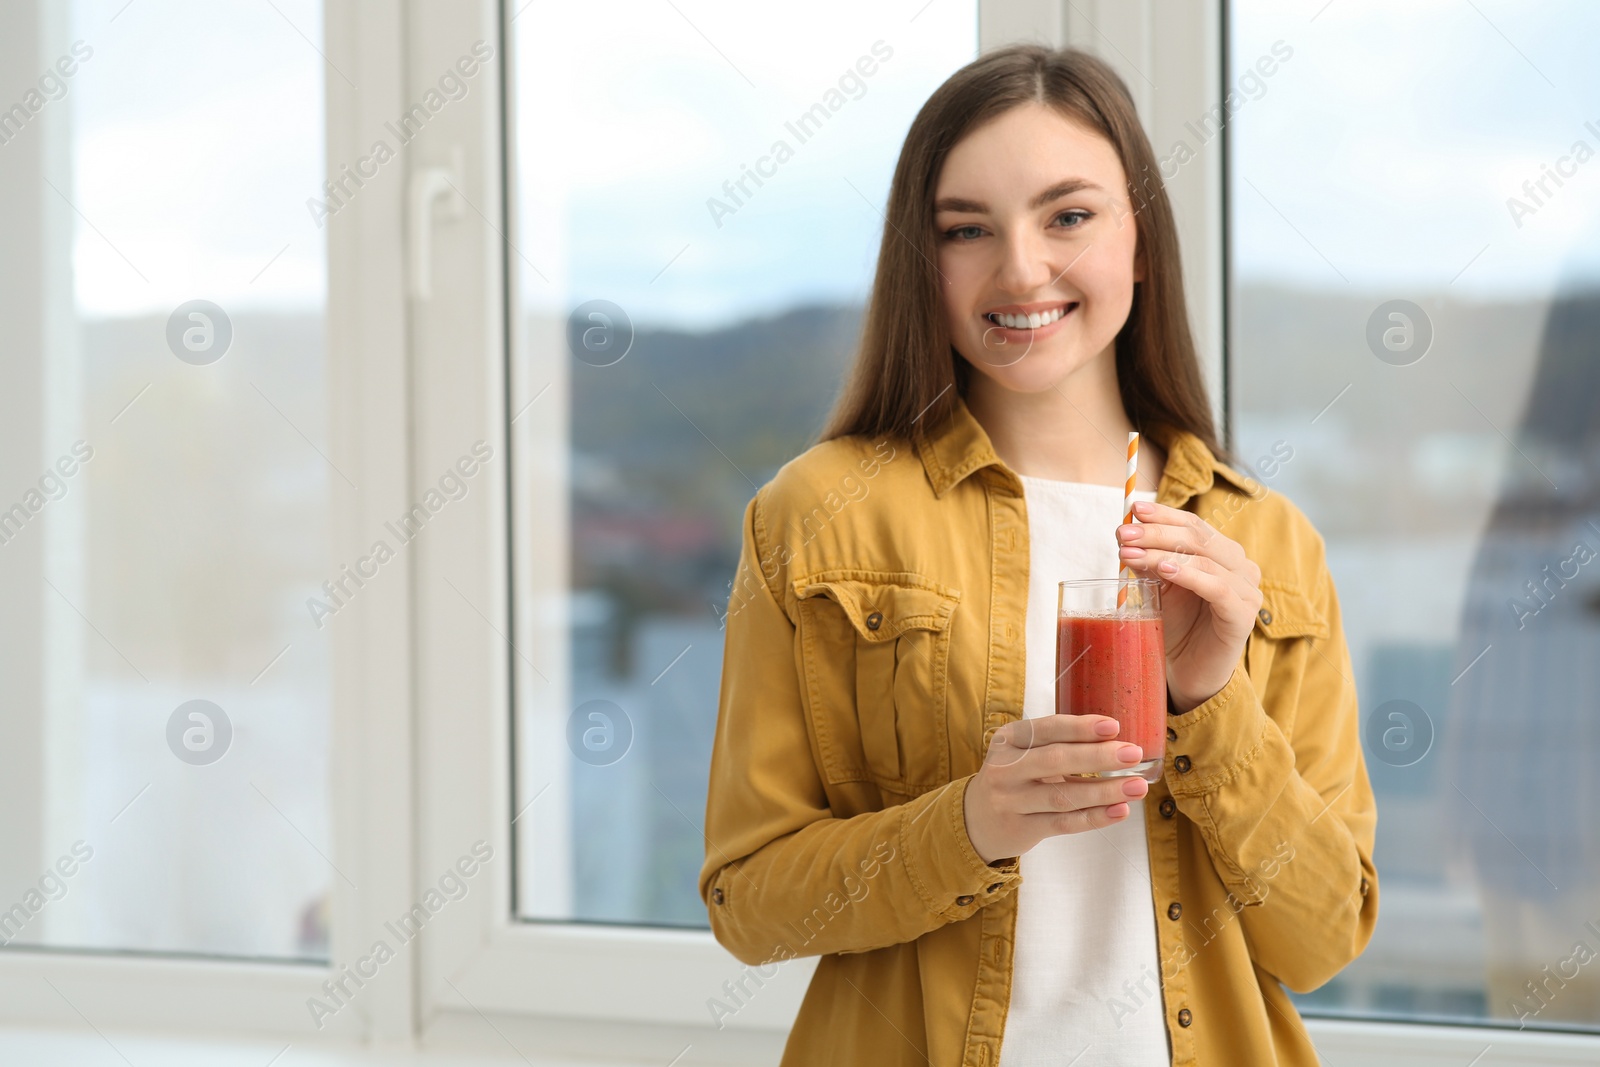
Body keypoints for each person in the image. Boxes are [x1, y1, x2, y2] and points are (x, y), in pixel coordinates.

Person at [699, 44, 1377, 1066]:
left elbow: (1322, 935)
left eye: (1068, 216)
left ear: (1141, 240)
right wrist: (965, 823)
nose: (1020, 269)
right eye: (965, 229)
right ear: (918, 261)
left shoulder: (1265, 544)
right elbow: (750, 901)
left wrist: (1209, 703)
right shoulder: (817, 517)